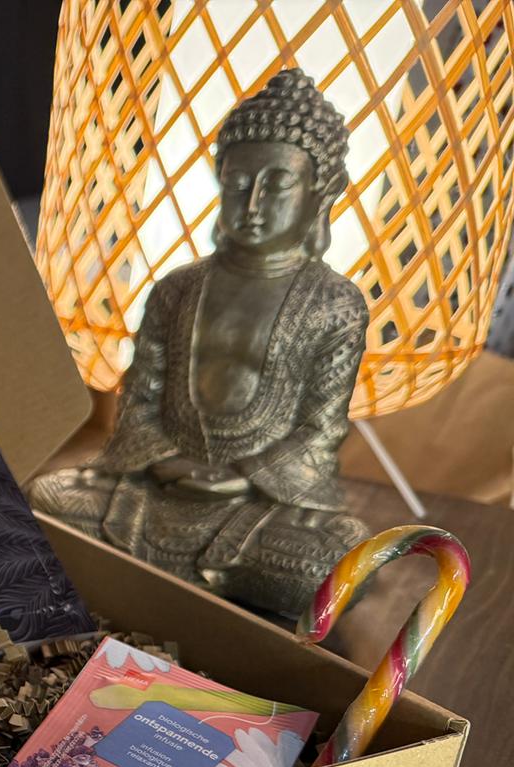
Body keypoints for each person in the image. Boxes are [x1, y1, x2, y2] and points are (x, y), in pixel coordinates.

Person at [31, 67, 368, 615]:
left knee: (329, 566)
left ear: (323, 191)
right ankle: (185, 576)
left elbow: (320, 428)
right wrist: (169, 462)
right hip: (157, 486)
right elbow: (141, 397)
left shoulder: (335, 303)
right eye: (237, 185)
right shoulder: (178, 288)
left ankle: (138, 570)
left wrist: (240, 477)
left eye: (277, 185)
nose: (252, 205)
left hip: (257, 504)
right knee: (48, 497)